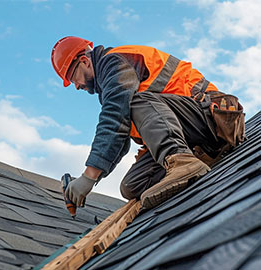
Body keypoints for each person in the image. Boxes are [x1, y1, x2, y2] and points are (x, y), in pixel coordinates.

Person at [51, 36, 227, 209]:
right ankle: (194, 161)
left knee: (134, 101)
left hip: (212, 119)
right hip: (190, 133)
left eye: (73, 77)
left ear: (85, 61)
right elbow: (119, 136)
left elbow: (115, 117)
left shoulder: (113, 62)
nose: (76, 85)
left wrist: (89, 175)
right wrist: (88, 180)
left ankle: (184, 163)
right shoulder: (109, 83)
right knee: (131, 186)